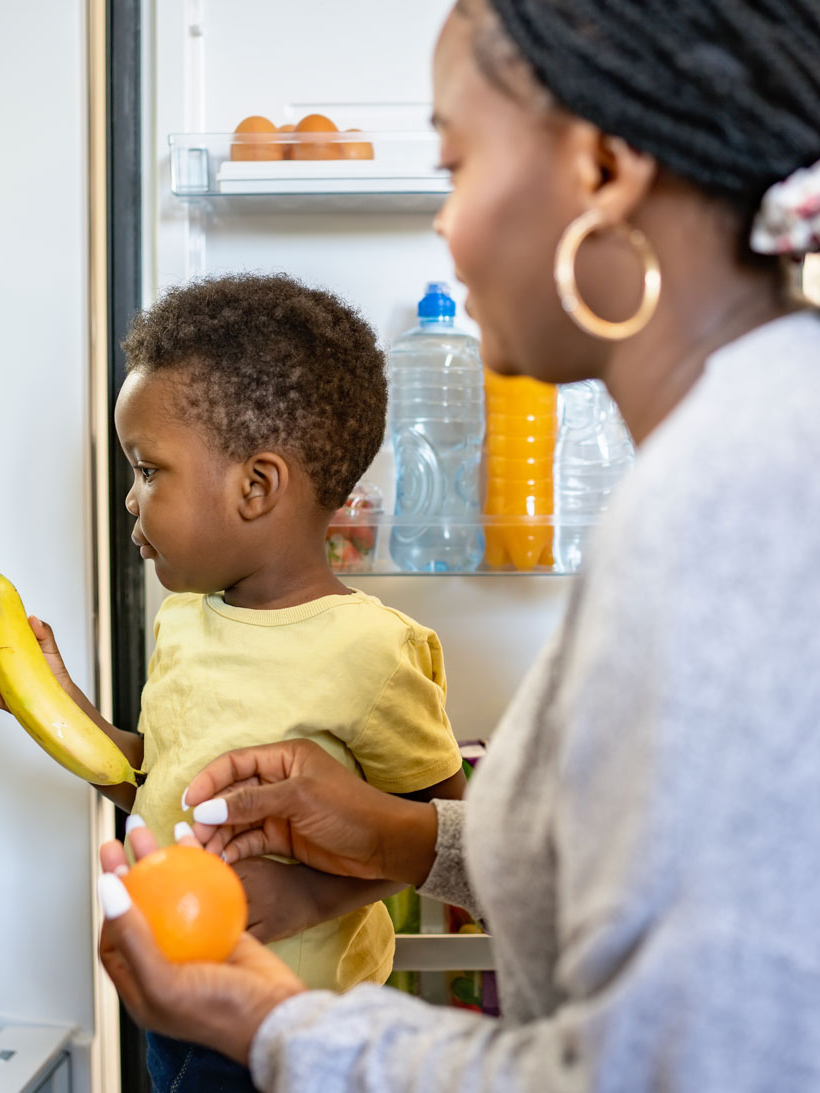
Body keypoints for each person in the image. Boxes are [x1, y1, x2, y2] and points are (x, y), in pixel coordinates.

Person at [94, 0, 820, 1088]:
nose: (445, 222)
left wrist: (274, 1024)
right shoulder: (735, 457)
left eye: (457, 163)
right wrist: (401, 839)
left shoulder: (740, 509)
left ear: (604, 170)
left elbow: (679, 1070)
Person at [0, 272, 465, 1091]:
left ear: (256, 487)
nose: (131, 499)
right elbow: (156, 784)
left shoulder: (372, 649)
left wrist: (306, 896)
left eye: (149, 470)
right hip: (177, 997)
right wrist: (55, 703)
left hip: (293, 1019)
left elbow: (437, 835)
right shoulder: (184, 618)